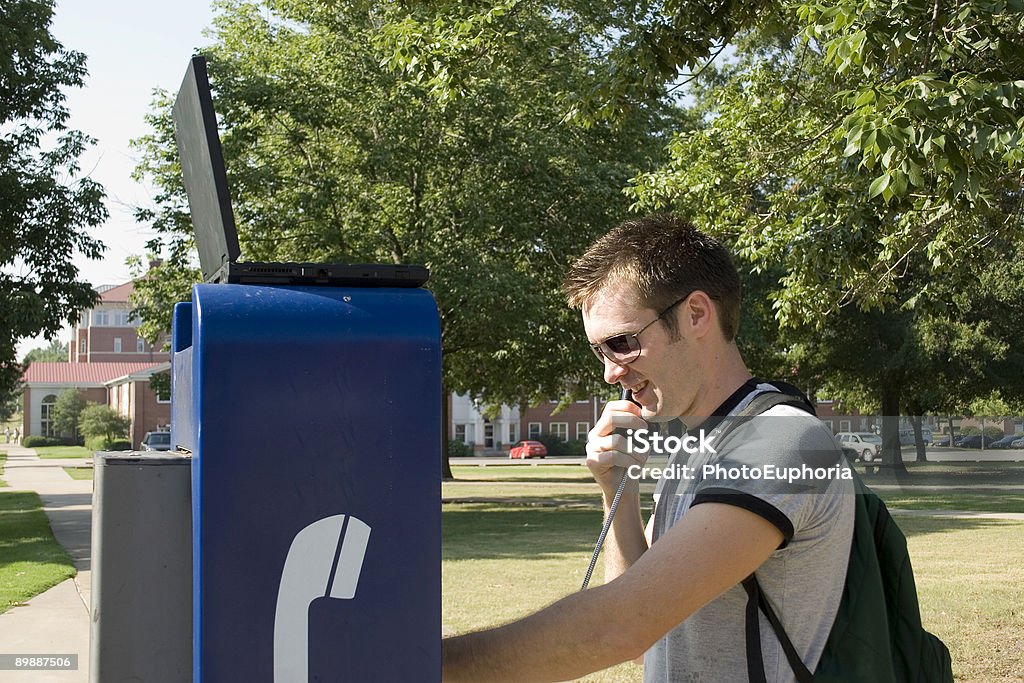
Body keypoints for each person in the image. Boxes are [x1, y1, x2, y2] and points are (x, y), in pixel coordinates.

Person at [442, 215, 854, 682]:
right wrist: (619, 492)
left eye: (622, 343)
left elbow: (623, 627)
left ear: (696, 314)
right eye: (600, 351)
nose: (610, 373)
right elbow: (650, 640)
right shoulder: (699, 450)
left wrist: (415, 664)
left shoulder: (782, 442)